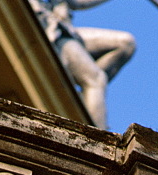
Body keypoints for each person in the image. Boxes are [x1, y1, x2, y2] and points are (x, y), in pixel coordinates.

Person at [28, 0, 135, 128]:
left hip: (65, 30)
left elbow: (76, 2)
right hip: (50, 29)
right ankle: (95, 137)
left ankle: (85, 97)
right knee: (96, 79)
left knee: (126, 43)